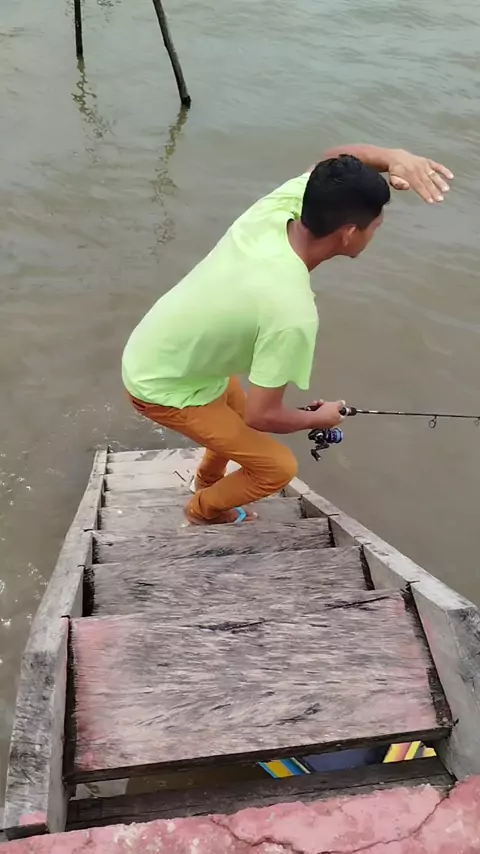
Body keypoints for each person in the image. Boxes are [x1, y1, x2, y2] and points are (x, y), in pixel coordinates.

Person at [122, 144, 453, 526]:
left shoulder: (276, 211)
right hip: (160, 388)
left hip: (169, 352)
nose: (374, 233)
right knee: (277, 467)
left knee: (236, 420)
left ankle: (205, 481)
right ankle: (203, 511)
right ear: (348, 233)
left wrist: (394, 157)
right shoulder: (291, 312)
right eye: (375, 227)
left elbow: (332, 161)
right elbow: (262, 415)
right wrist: (320, 418)